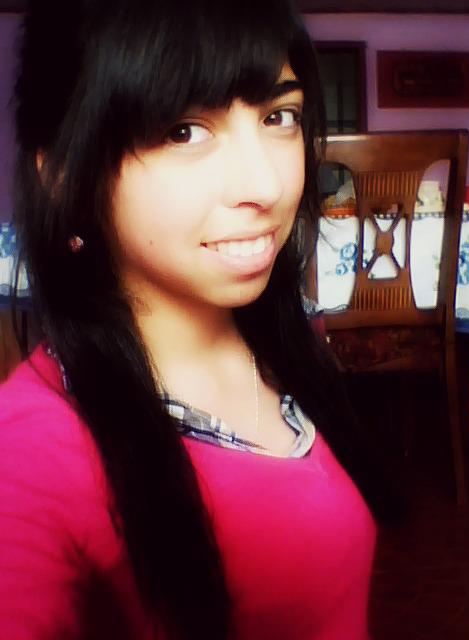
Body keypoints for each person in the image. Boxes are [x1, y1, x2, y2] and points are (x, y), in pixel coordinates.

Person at [0, 1, 400, 638]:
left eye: (279, 116)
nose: (266, 186)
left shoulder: (287, 341)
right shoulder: (30, 450)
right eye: (184, 131)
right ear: (66, 178)